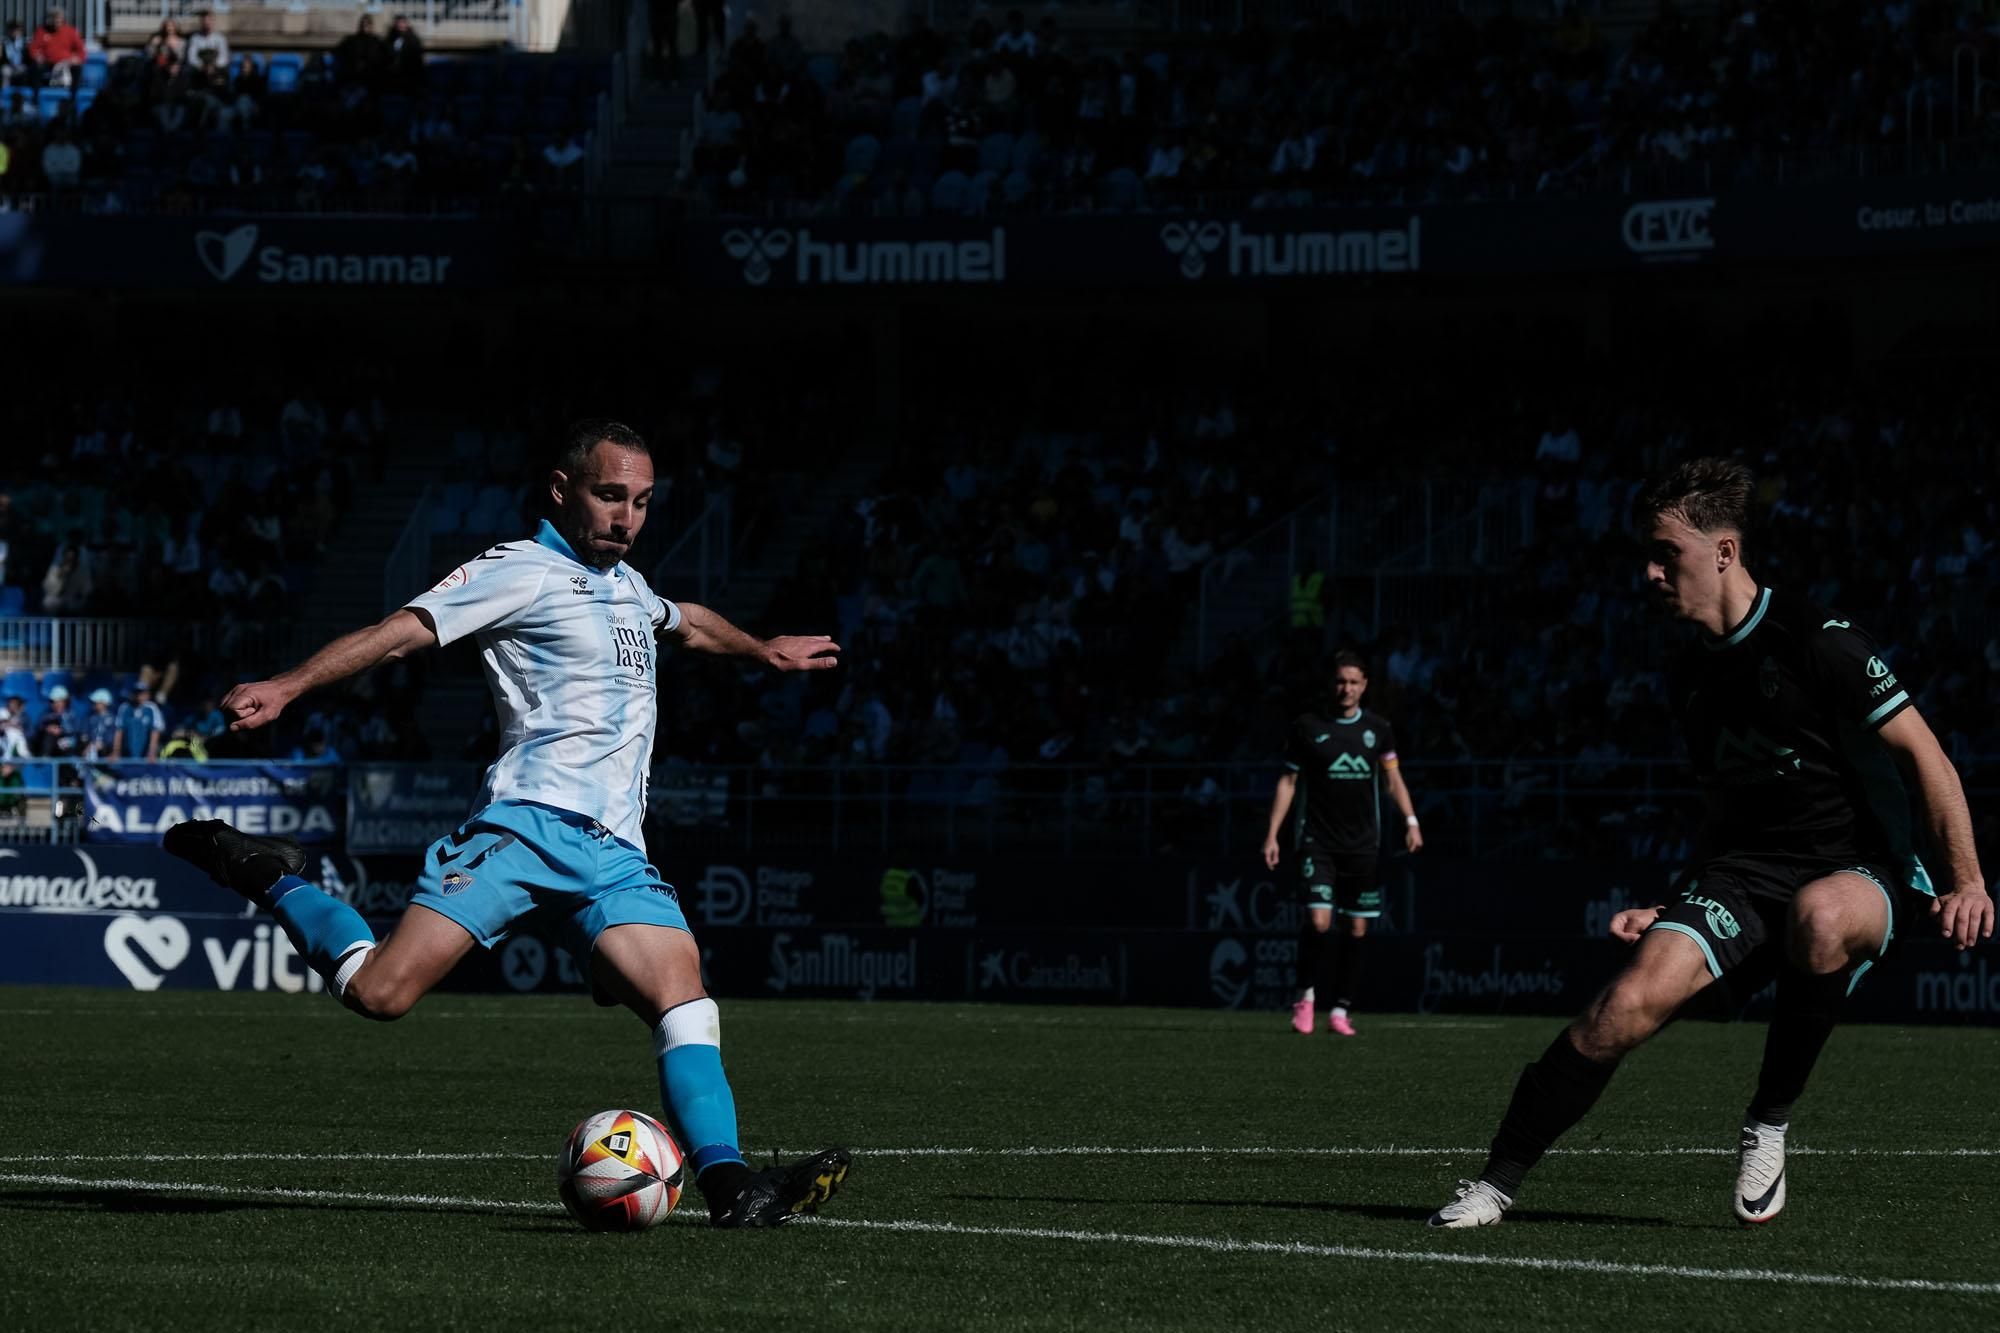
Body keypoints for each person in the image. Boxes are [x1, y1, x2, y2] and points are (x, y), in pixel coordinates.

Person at [163, 420, 850, 1228]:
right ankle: (265, 872)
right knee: (379, 992)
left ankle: (732, 1187)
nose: (627, 516)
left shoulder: (628, 586)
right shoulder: (516, 570)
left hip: (616, 853)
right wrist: (288, 684)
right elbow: (399, 635)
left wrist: (762, 647)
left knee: (685, 1002)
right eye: (609, 495)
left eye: (641, 501)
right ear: (562, 491)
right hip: (524, 831)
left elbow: (690, 621)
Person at [1429, 458, 1992, 1229]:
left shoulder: (1821, 642)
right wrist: (1676, 898)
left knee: (1822, 915)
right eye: (1647, 554)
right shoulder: (1691, 672)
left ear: (1724, 552)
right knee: (1623, 1005)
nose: (1649, 571)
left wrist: (1966, 880)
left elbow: (1927, 757)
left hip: (1860, 868)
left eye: (1667, 553)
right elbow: (1725, 808)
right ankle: (1493, 1185)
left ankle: (1769, 1122)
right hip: (1744, 873)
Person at [1261, 651, 1422, 1038]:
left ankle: (1341, 1009)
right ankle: (1305, 997)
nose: (1346, 688)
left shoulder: (1378, 729)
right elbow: (1288, 781)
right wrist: (1272, 833)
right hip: (1318, 840)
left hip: (1363, 845)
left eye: (1353, 681)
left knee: (1357, 930)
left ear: (1365, 685)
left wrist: (1411, 821)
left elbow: (1393, 779)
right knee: (1318, 922)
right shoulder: (1308, 727)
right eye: (1340, 681)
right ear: (1330, 684)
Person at [27, 8, 84, 88]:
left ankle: (73, 97)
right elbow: (33, 48)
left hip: (66, 63)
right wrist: (37, 57)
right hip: (47, 63)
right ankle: (36, 96)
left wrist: (76, 59)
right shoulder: (41, 31)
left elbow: (81, 50)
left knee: (77, 68)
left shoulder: (71, 31)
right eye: (53, 18)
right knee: (36, 68)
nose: (56, 21)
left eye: (58, 18)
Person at [114, 680, 166, 760]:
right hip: (126, 755)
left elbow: (155, 732)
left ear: (147, 695)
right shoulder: (125, 708)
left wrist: (151, 752)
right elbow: (119, 731)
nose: (139, 696)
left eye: (142, 693)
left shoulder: (152, 708)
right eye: (137, 693)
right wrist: (116, 752)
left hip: (145, 757)